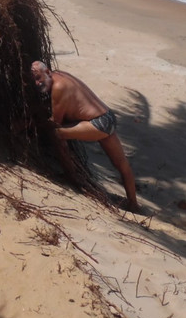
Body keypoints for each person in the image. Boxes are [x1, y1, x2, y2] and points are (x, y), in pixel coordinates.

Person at [29, 60, 139, 212]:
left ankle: (71, 176)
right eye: (34, 80)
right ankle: (134, 204)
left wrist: (28, 124)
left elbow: (55, 122)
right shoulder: (61, 75)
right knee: (121, 163)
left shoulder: (58, 87)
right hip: (108, 117)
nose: (37, 83)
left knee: (57, 134)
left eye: (38, 78)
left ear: (47, 72)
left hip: (98, 124)